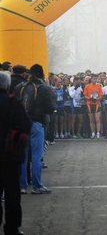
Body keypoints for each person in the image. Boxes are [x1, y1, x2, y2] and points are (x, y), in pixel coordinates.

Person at [14, 64, 56, 194]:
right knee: (37, 156)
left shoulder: (18, 88)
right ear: (42, 75)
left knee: (23, 156)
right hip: (36, 124)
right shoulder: (43, 89)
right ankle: (37, 185)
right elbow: (49, 108)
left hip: (20, 124)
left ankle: (22, 185)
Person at [0, 71, 32, 235]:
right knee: (12, 193)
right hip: (10, 154)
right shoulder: (13, 103)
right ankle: (11, 229)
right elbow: (26, 125)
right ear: (8, 85)